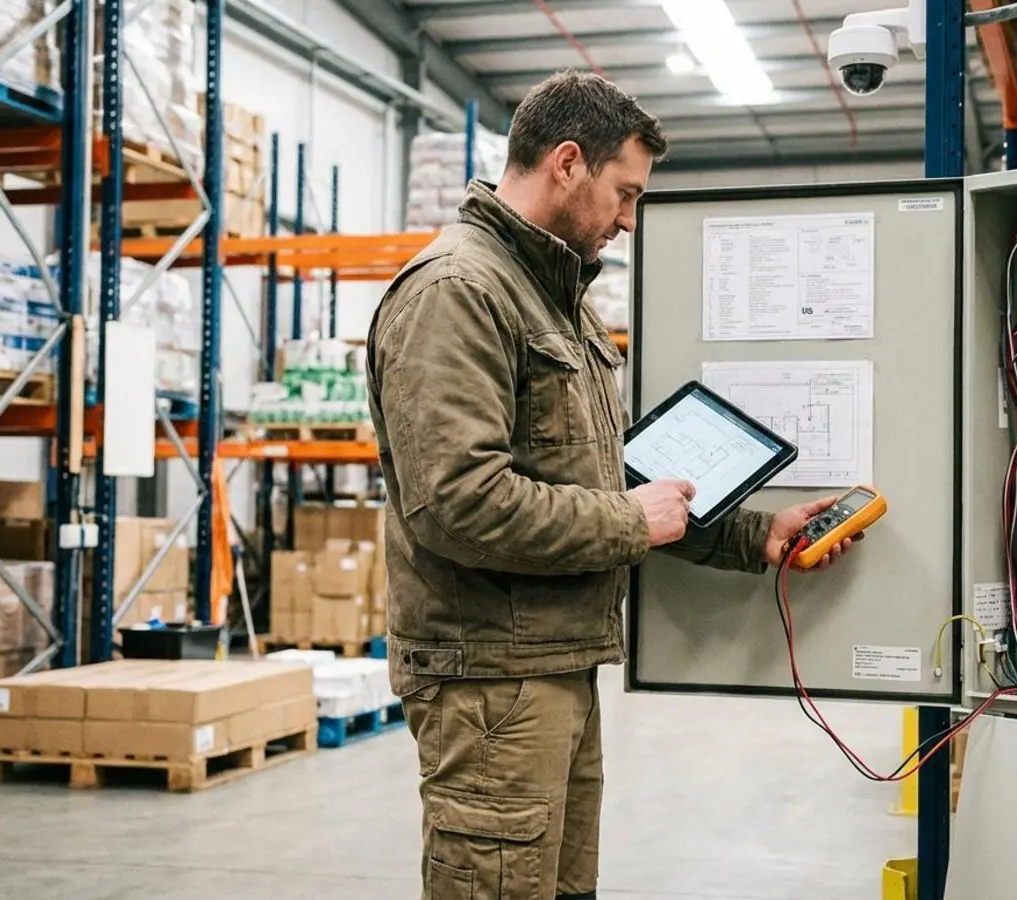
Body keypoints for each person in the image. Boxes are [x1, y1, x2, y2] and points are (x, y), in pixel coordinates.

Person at [366, 71, 857, 900]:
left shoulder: (556, 298)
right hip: (489, 678)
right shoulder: (458, 292)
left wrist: (752, 535)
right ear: (566, 163)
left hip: (549, 662)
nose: (629, 219)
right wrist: (631, 521)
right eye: (624, 193)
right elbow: (456, 503)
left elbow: (607, 476)